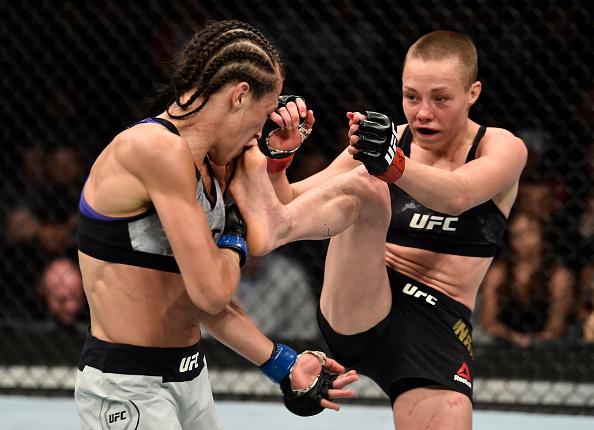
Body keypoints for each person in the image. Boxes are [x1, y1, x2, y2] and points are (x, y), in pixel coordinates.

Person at [230, 30, 527, 429]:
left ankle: (274, 231)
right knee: (369, 186)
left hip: (438, 320)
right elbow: (289, 199)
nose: (423, 112)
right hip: (363, 301)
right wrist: (280, 159)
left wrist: (394, 163)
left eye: (440, 98)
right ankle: (273, 234)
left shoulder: (502, 148)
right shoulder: (384, 143)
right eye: (412, 96)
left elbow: (458, 195)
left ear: (472, 93)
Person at [74, 20, 357, 430]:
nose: (259, 131)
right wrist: (240, 219)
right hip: (129, 386)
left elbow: (210, 299)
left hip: (190, 376)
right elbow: (211, 290)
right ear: (240, 96)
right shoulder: (154, 149)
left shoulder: (212, 165)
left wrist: (285, 365)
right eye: (261, 116)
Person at [478, 212, 574, 347]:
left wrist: (535, 340)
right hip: (503, 343)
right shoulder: (499, 272)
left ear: (543, 235)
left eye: (528, 232)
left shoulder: (557, 275)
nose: (522, 239)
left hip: (547, 345)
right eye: (517, 234)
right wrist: (513, 337)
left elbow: (557, 324)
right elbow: (488, 320)